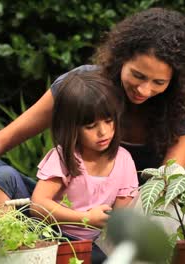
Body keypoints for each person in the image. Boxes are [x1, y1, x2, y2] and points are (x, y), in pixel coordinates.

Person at [0, 7, 185, 208]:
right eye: (138, 75)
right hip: (56, 212)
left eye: (159, 82)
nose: (144, 90)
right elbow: (2, 141)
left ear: (175, 80)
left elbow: (168, 182)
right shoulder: (82, 87)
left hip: (126, 219)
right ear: (121, 58)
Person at [30, 70, 138, 263]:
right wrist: (85, 218)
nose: (103, 132)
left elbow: (122, 217)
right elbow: (38, 205)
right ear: (72, 128)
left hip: (97, 243)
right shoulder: (65, 156)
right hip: (57, 236)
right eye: (90, 126)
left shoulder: (124, 160)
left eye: (108, 121)